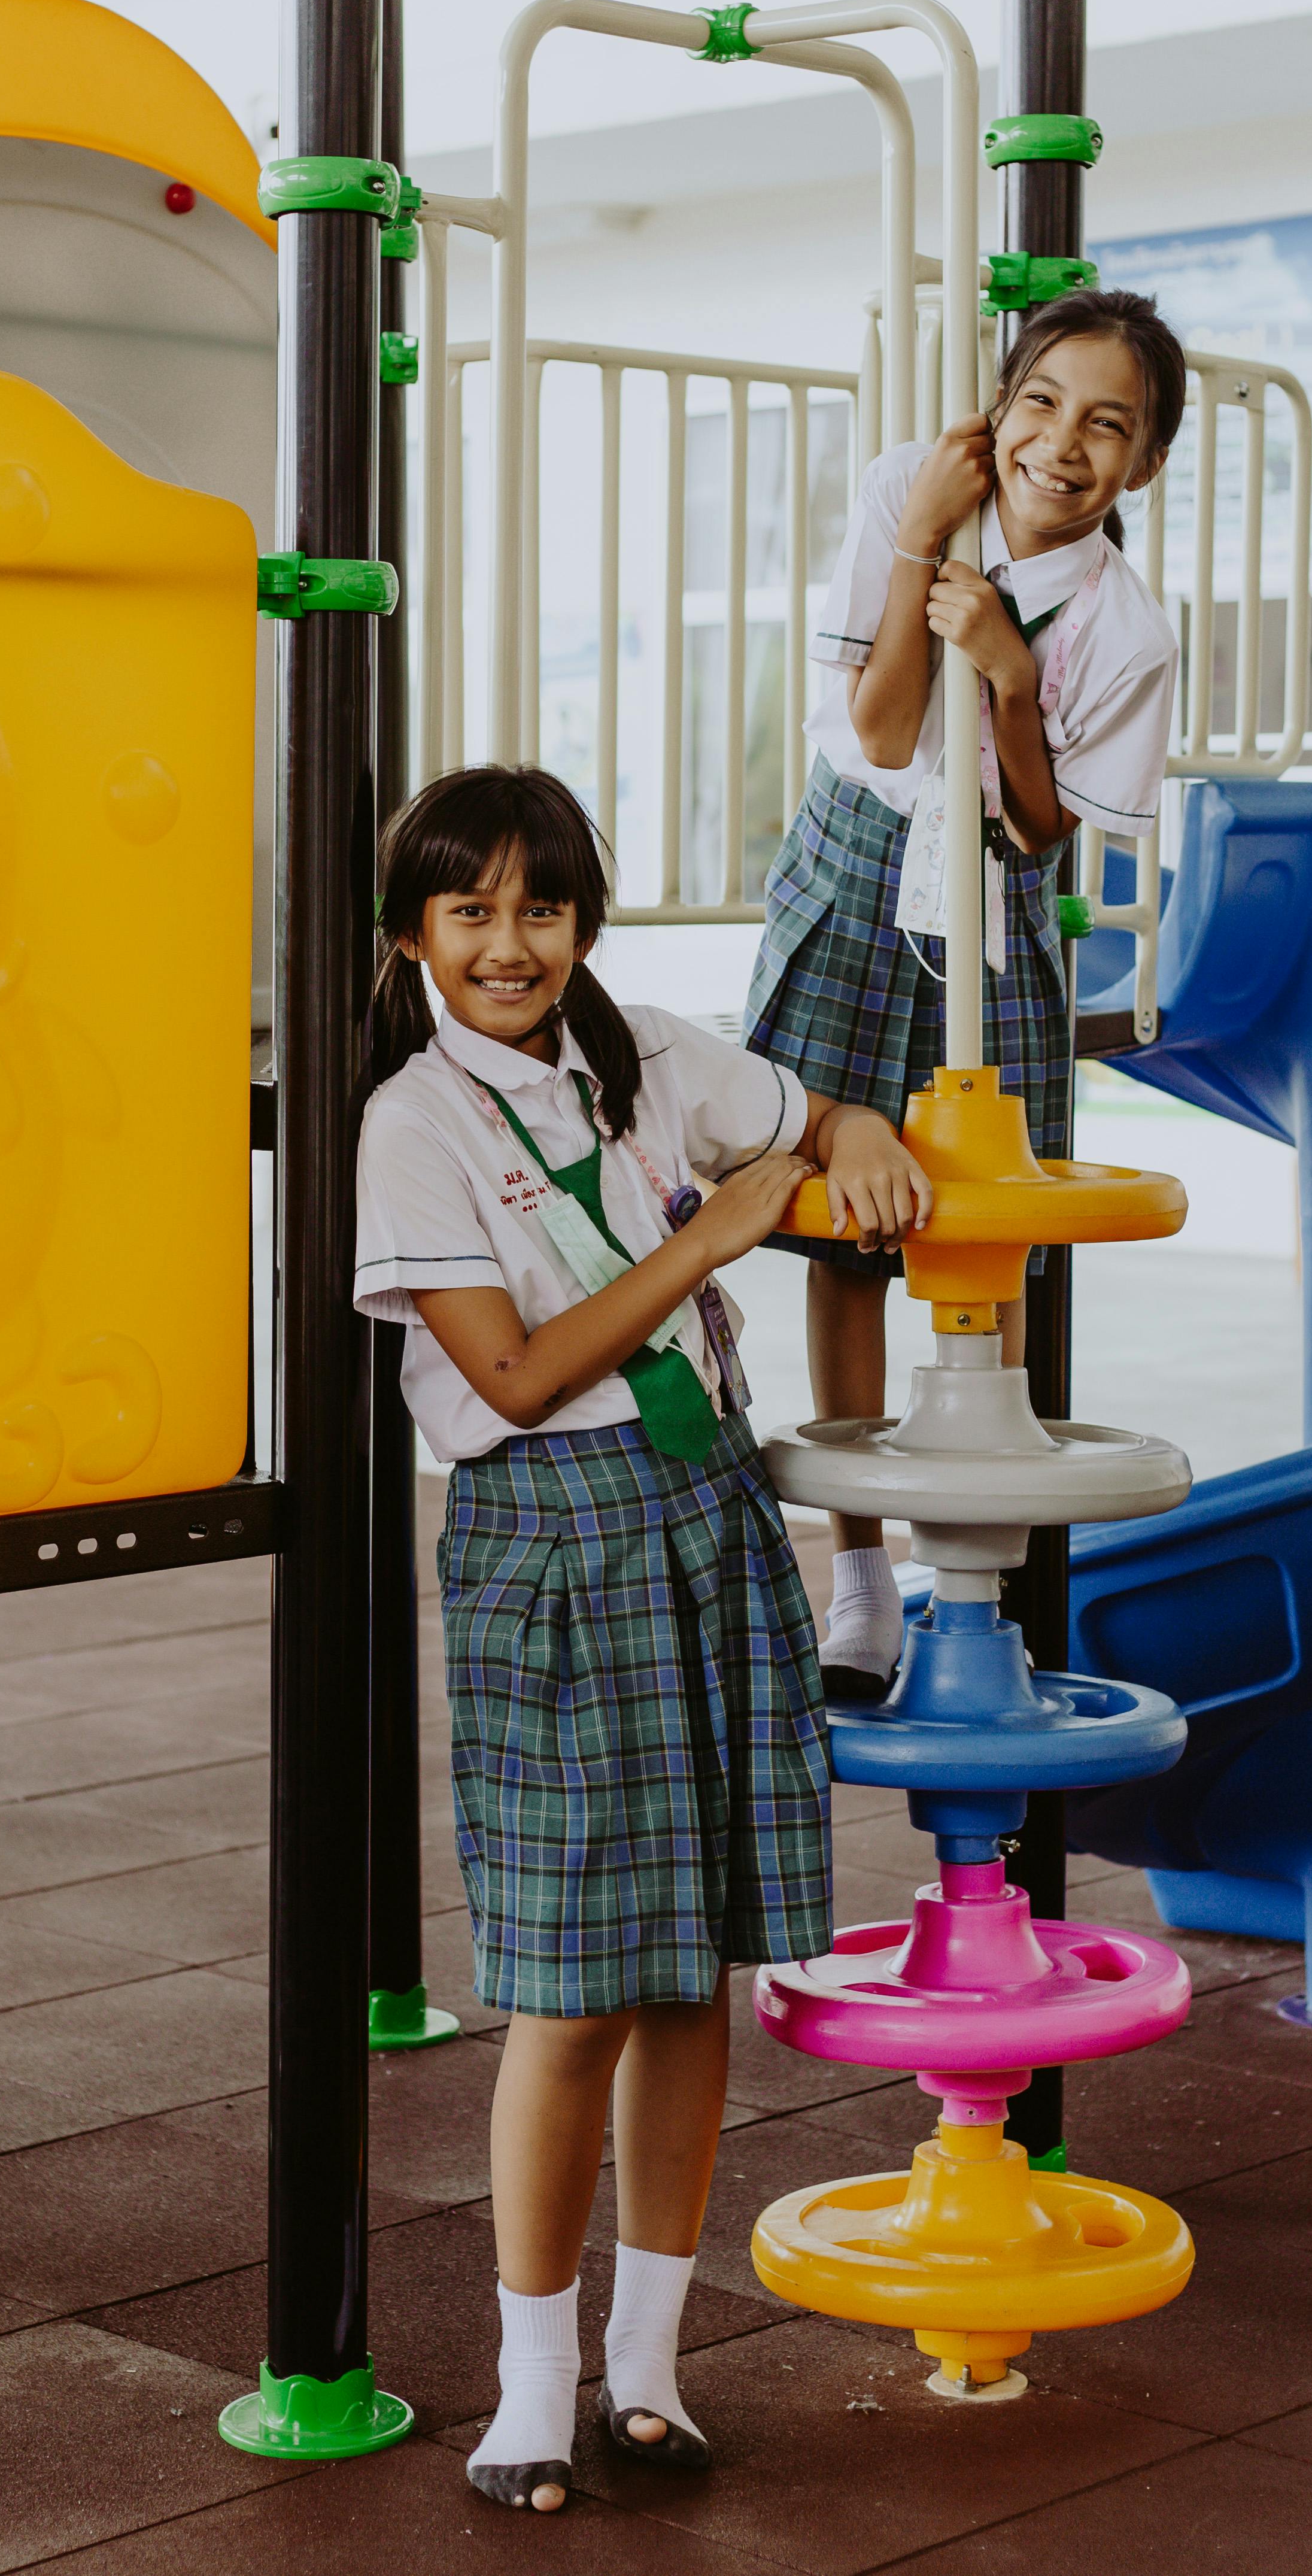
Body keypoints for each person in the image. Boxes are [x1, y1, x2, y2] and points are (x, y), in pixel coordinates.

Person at [353, 764, 931, 2516]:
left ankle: (649, 2374)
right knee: (569, 1986)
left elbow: (814, 1110)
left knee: (699, 1975)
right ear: (416, 939)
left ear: (586, 919)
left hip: (707, 1517)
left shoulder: (661, 1055)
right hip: (556, 1531)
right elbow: (516, 1375)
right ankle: (529, 2392)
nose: (510, 944)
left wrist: (856, 1133)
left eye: (542, 907)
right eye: (472, 914)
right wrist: (724, 1231)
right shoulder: (413, 1119)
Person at [745, 287, 1187, 1701]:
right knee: (840, 1227)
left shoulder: (1124, 629)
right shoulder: (906, 486)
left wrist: (1004, 674)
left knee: (977, 1224)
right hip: (857, 850)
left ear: (1144, 465)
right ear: (1001, 406)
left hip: (988, 894)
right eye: (1042, 404)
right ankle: (860, 1570)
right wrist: (920, 547)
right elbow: (877, 729)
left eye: (1105, 426)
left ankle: (969, 1567)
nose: (1061, 445)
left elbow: (1042, 834)